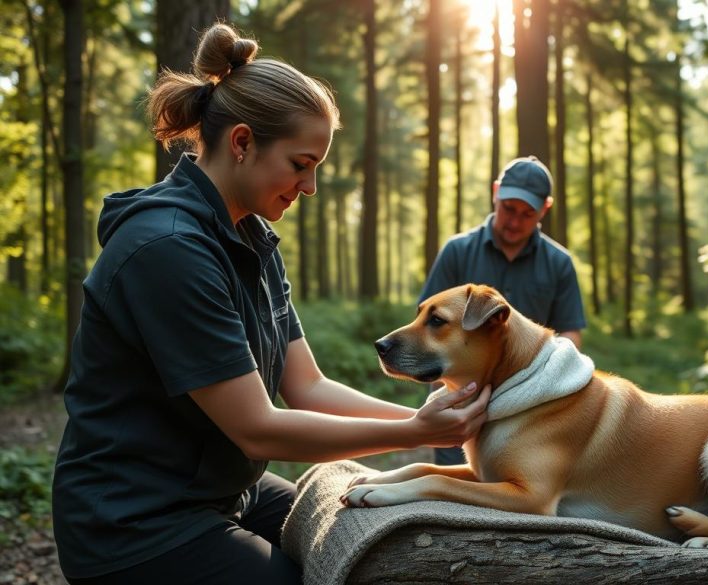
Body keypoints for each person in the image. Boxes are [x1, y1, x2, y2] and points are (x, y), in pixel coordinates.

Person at [51, 24, 490, 585]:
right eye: (300, 164)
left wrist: (423, 419)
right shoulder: (167, 250)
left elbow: (306, 386)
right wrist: (416, 433)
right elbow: (258, 429)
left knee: (378, 543)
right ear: (241, 143)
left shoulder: (252, 238)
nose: (308, 187)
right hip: (133, 523)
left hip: (221, 489)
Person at [420, 155, 587, 465]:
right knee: (446, 493)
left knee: (515, 494)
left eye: (528, 214)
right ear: (496, 192)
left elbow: (570, 334)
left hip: (528, 409)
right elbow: (428, 324)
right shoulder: (458, 251)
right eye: (508, 208)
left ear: (545, 209)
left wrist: (545, 378)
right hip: (459, 401)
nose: (514, 221)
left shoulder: (559, 263)